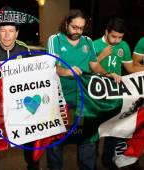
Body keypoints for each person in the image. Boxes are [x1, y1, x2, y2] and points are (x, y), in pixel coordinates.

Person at [0, 7, 40, 170]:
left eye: (11, 31)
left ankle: (33, 166)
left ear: (17, 33)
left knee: (30, 136)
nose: (7, 35)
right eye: (3, 31)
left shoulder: (24, 49)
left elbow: (35, 73)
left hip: (19, 104)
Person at [46, 9, 109, 170]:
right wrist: (68, 71)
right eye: (74, 27)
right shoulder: (55, 40)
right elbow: (54, 66)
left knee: (87, 139)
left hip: (85, 97)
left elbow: (94, 65)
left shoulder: (88, 41)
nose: (78, 32)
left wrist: (106, 73)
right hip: (60, 98)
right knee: (56, 139)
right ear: (66, 24)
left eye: (81, 28)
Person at [94, 17, 144, 169]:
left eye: (120, 37)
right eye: (113, 36)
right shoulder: (94, 44)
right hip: (96, 95)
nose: (116, 41)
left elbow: (130, 69)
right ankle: (90, 161)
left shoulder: (124, 46)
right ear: (106, 32)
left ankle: (107, 160)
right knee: (95, 131)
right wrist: (101, 55)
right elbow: (87, 69)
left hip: (116, 94)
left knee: (114, 128)